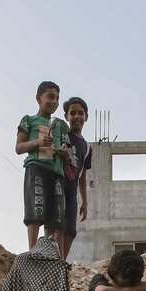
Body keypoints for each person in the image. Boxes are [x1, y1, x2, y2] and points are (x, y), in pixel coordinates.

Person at [15, 81, 70, 249]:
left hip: (57, 173)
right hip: (36, 168)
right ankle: (32, 251)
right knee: (35, 211)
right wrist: (38, 142)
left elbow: (68, 154)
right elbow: (19, 147)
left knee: (56, 218)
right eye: (50, 97)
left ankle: (50, 254)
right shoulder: (29, 120)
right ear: (39, 98)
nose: (54, 102)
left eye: (57, 99)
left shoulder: (61, 125)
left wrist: (63, 152)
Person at [59, 96, 92, 259]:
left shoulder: (86, 147)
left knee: (70, 230)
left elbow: (82, 175)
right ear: (66, 116)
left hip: (71, 191)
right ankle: (53, 260)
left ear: (86, 116)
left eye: (80, 113)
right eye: (72, 113)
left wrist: (85, 201)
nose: (76, 117)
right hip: (57, 185)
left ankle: (61, 261)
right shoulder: (61, 134)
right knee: (55, 226)